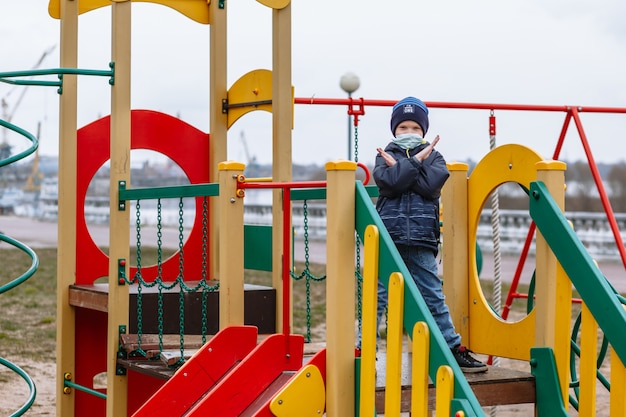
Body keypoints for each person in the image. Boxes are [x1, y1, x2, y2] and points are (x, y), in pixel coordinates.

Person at [372, 96, 487, 373]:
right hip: (390, 236)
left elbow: (429, 186)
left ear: (423, 131)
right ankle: (365, 348)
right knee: (378, 294)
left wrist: (407, 165)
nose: (408, 133)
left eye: (414, 128)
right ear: (394, 130)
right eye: (403, 128)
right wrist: (413, 163)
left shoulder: (436, 158)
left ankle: (452, 347)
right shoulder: (382, 155)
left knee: (433, 294)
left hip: (422, 237)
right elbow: (388, 184)